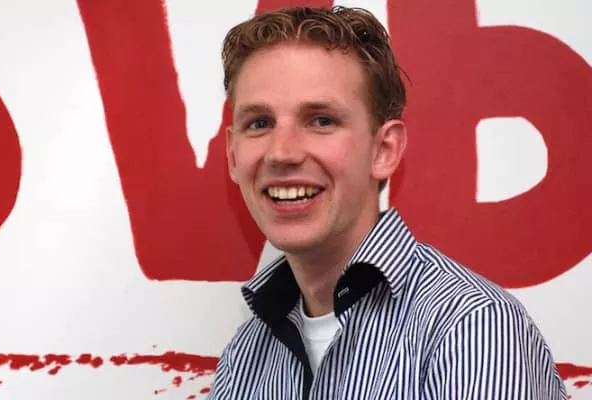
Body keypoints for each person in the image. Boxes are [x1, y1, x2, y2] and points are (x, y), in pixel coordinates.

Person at [209, 6, 566, 399]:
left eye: (321, 120)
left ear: (384, 150)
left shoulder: (472, 328)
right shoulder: (245, 356)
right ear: (232, 155)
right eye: (259, 123)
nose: (282, 152)